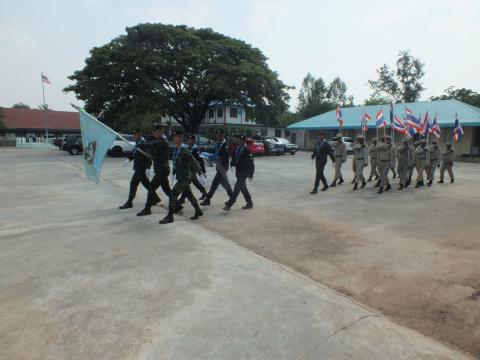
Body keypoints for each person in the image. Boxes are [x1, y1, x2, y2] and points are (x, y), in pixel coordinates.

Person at [159, 129, 203, 224]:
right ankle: (198, 211)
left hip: (185, 177)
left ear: (181, 138)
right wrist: (174, 173)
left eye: (177, 137)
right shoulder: (176, 148)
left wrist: (200, 174)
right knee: (189, 195)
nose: (175, 139)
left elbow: (194, 161)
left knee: (172, 194)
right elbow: (175, 162)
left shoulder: (184, 150)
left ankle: (170, 216)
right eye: (174, 137)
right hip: (180, 176)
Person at [136, 124, 172, 216]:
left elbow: (150, 145)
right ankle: (178, 205)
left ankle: (147, 209)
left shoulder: (162, 141)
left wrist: (140, 144)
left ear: (161, 132)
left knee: (151, 188)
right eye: (154, 132)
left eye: (157, 132)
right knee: (167, 189)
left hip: (162, 170)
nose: (155, 133)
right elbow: (153, 152)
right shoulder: (159, 141)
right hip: (161, 169)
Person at [119, 129, 157, 209]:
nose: (134, 136)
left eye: (135, 134)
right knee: (147, 184)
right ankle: (155, 198)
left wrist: (148, 167)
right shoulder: (138, 142)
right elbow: (135, 153)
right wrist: (129, 159)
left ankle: (129, 202)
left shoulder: (143, 143)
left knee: (133, 183)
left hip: (141, 168)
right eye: (133, 134)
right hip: (138, 167)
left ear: (140, 134)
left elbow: (148, 156)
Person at [200, 128, 233, 206]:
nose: (218, 136)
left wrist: (214, 158)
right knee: (225, 184)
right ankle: (232, 197)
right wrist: (210, 157)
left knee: (215, 184)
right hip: (219, 166)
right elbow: (215, 154)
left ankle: (208, 199)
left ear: (223, 135)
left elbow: (224, 156)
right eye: (217, 135)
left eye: (219, 135)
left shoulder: (225, 145)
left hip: (223, 167)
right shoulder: (218, 144)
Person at [223, 135, 254, 210]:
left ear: (244, 141)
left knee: (237, 187)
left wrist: (251, 175)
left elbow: (251, 163)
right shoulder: (237, 149)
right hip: (238, 171)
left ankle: (230, 204)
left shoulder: (247, 150)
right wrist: (232, 165)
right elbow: (234, 158)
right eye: (238, 140)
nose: (238, 142)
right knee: (243, 188)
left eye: (240, 141)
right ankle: (249, 203)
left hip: (245, 172)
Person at [178, 135, 208, 204]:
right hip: (188, 169)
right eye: (188, 140)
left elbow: (200, 160)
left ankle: (182, 199)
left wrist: (203, 171)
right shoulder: (189, 148)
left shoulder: (196, 149)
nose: (189, 141)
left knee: (187, 183)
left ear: (194, 141)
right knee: (194, 183)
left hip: (192, 169)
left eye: (190, 140)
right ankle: (205, 194)